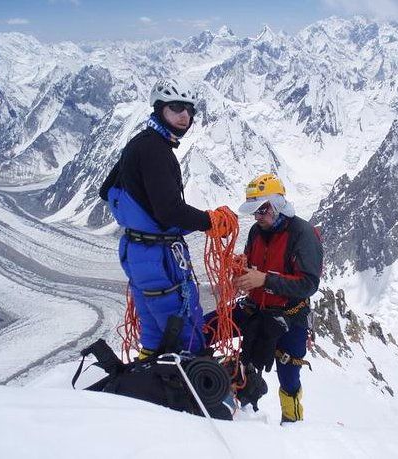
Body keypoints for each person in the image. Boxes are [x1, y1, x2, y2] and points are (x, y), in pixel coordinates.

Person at [99, 76, 231, 358]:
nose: (185, 116)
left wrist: (139, 215)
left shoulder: (140, 143)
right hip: (158, 255)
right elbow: (168, 210)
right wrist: (210, 221)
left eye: (190, 110)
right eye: (177, 108)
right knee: (184, 327)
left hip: (136, 252)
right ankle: (186, 393)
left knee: (154, 331)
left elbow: (105, 190)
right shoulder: (156, 150)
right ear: (159, 109)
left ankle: (148, 380)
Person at [234, 173, 323, 424]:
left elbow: (308, 284)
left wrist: (265, 280)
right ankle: (243, 416)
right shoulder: (257, 231)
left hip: (290, 318)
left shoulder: (303, 234)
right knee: (246, 362)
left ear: (278, 204)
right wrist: (241, 275)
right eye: (255, 212)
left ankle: (292, 424)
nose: (258, 217)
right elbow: (253, 264)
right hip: (258, 310)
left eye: (263, 210)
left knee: (289, 375)